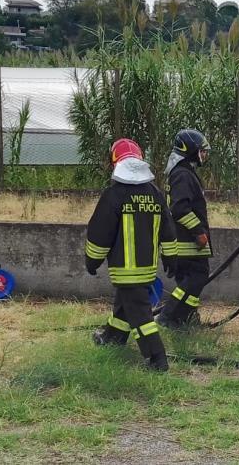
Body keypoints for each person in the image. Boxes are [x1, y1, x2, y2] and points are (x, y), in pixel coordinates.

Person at [86, 138, 178, 371]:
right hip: (146, 268)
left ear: (115, 162)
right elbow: (168, 228)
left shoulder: (114, 195)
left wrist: (92, 260)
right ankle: (112, 338)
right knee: (125, 305)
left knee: (141, 315)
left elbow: (100, 231)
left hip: (124, 269)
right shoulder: (155, 193)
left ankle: (157, 359)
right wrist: (171, 257)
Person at [156, 129, 212, 329]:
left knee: (190, 280)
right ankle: (168, 316)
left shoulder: (183, 172)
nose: (204, 155)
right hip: (188, 242)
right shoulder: (182, 174)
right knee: (194, 279)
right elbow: (179, 208)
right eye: (201, 151)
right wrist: (198, 231)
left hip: (185, 241)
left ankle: (184, 318)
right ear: (191, 151)